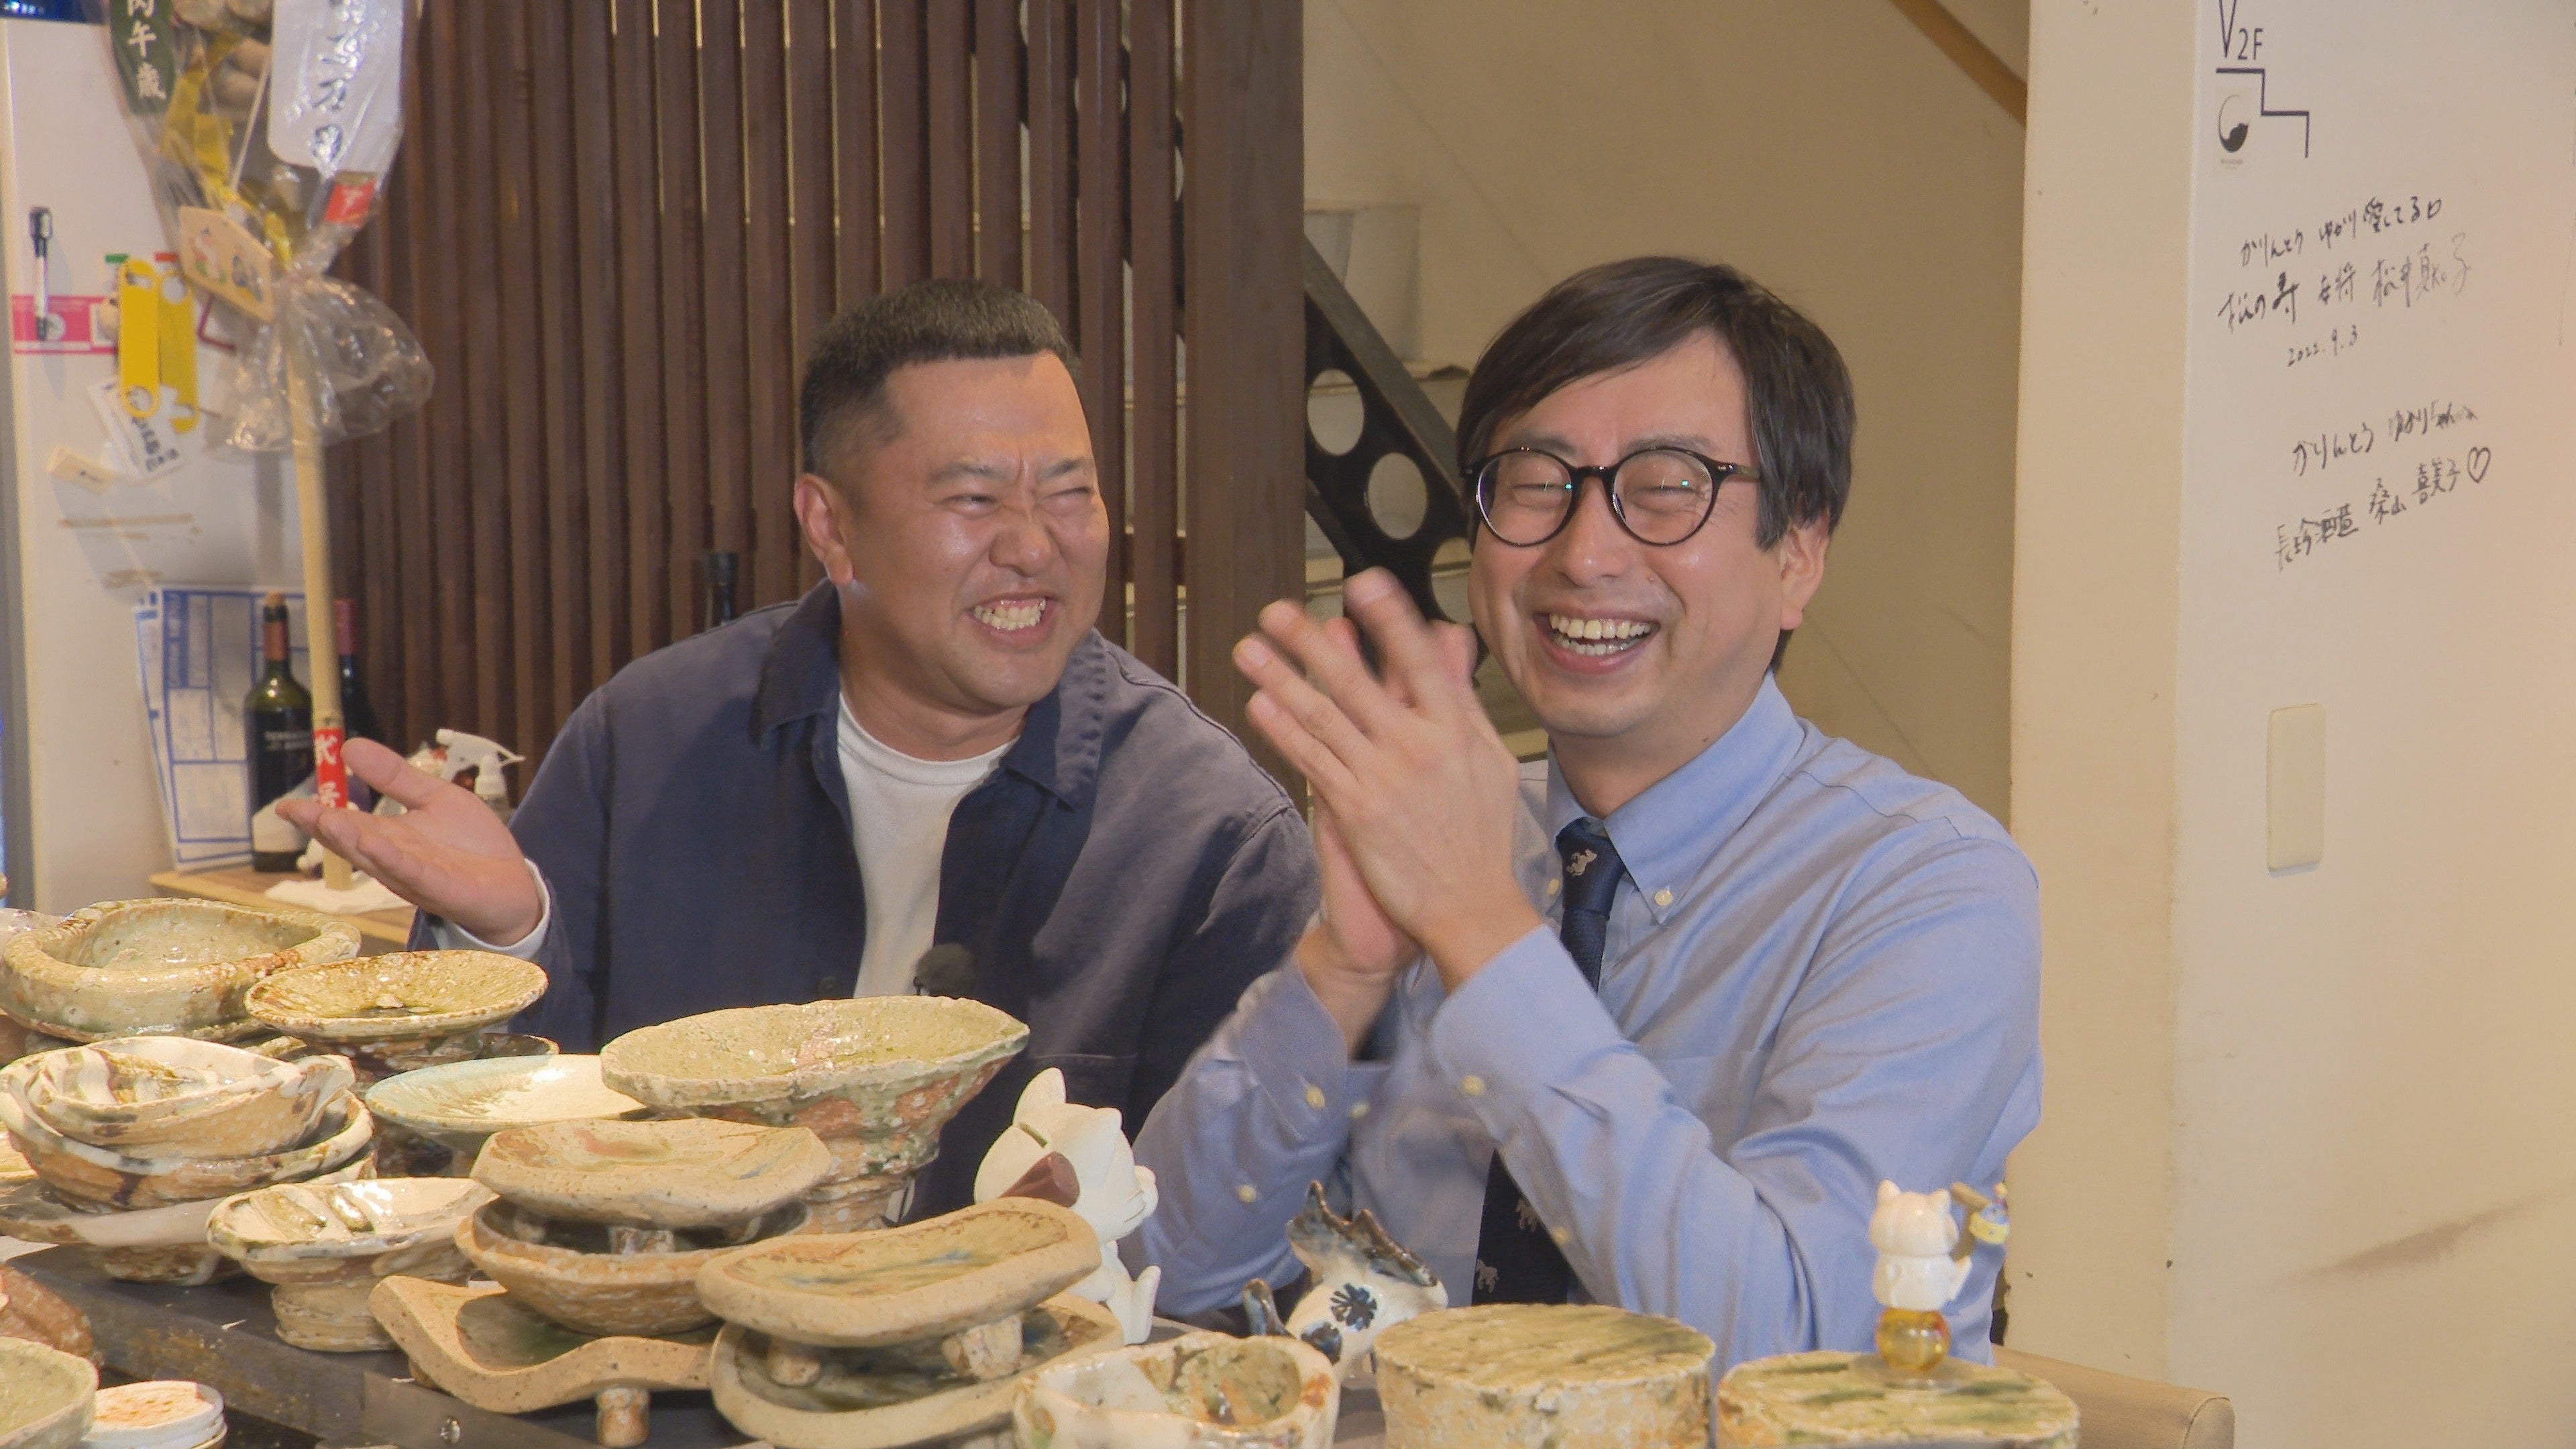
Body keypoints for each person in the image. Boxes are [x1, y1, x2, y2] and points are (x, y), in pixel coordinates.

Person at [1133, 257, 2039, 1367]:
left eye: (1665, 488)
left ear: (1799, 554)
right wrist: (1345, 969)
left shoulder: (1929, 887)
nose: (1584, 553)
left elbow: (1795, 1354)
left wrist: (1482, 933)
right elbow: (1160, 1278)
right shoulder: (1447, 847)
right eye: (1536, 481)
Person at [284, 279, 1319, 1216]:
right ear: (831, 526)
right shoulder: (648, 739)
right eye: (974, 499)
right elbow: (512, 1131)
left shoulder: (1213, 839)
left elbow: (1231, 1234)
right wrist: (508, 939)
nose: (1033, 545)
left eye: (1069, 491)